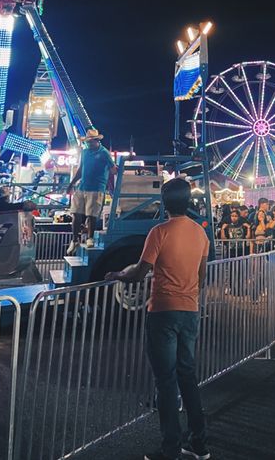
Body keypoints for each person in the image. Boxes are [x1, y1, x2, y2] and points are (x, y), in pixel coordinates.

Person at [105, 177, 210, 460]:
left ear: (164, 203)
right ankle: (199, 443)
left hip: (163, 310)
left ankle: (170, 448)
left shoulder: (159, 232)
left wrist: (118, 274)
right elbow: (202, 276)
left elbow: (139, 272)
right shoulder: (201, 234)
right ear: (190, 202)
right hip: (190, 310)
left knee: (165, 381)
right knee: (188, 376)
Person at [66, 128, 116, 255]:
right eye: (87, 142)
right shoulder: (85, 152)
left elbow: (112, 169)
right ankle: (75, 239)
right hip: (82, 187)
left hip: (97, 187)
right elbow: (80, 169)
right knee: (76, 213)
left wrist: (112, 186)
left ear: (96, 141)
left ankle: (90, 237)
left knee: (91, 214)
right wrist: (72, 183)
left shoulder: (104, 153)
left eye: (91, 142)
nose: (89, 144)